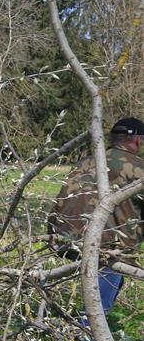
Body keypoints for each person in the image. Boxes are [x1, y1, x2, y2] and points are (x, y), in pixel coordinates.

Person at [48, 117, 144, 318]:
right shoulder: (138, 168)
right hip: (103, 245)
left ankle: (83, 327)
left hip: (61, 235)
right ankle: (87, 336)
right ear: (136, 140)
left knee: (113, 271)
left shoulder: (87, 161)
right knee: (112, 268)